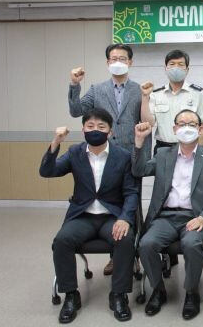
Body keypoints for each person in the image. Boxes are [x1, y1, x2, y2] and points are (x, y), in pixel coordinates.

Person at [39, 108, 138, 323]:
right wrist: (56, 141)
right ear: (83, 130)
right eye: (90, 126)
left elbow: (131, 193)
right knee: (62, 240)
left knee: (125, 239)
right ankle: (70, 295)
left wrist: (124, 218)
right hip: (83, 216)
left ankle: (118, 294)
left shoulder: (122, 156)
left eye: (101, 127)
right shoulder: (75, 152)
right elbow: (47, 171)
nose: (95, 130)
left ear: (110, 131)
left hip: (111, 216)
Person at [132, 110, 203, 320]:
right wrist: (139, 142)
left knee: (192, 244)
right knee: (146, 244)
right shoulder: (163, 155)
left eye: (191, 124)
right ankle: (158, 290)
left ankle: (191, 292)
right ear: (174, 129)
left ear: (200, 129)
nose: (186, 128)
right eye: (181, 124)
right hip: (165, 216)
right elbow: (139, 171)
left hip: (195, 217)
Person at [68, 43, 149, 275]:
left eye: (123, 58)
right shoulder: (97, 89)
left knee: (132, 205)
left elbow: (146, 122)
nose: (118, 62)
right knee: (110, 204)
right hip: (104, 155)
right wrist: (74, 84)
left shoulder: (139, 90)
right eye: (114, 58)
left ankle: (133, 255)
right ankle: (116, 256)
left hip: (131, 155)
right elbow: (76, 111)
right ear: (107, 62)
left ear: (130, 62)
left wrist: (142, 153)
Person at [140, 49, 203, 154]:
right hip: (163, 148)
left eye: (181, 64)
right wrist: (145, 97)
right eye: (172, 64)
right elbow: (148, 123)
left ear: (187, 69)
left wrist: (200, 154)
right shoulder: (156, 94)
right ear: (165, 68)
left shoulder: (199, 93)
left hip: (190, 147)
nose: (176, 68)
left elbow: (202, 129)